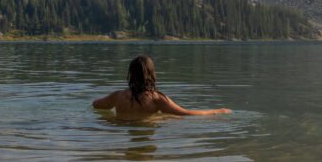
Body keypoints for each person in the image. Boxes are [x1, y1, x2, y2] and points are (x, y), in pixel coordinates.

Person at [92, 55, 232, 118]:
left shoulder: (118, 96)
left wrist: (111, 117)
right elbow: (187, 114)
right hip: (144, 133)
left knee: (162, 117)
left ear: (131, 75)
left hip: (125, 132)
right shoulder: (156, 99)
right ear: (151, 74)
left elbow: (96, 105)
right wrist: (218, 111)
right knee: (167, 118)